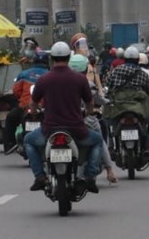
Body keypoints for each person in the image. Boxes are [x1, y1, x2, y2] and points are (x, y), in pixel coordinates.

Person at [24, 42, 103, 194]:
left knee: (28, 140)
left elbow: (33, 103)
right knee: (98, 140)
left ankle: (40, 176)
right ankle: (90, 176)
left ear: (52, 58)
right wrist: (87, 113)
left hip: (49, 130)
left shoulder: (44, 79)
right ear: (68, 57)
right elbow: (89, 103)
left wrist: (34, 113)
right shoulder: (80, 79)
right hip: (77, 130)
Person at [103, 47, 149, 159]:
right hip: (139, 110)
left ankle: (110, 147)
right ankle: (148, 147)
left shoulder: (115, 71)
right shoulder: (142, 74)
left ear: (124, 59)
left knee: (105, 121)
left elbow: (107, 85)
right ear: (137, 59)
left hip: (118, 109)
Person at [69, 53, 117, 184]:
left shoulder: (59, 83)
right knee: (99, 140)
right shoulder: (87, 84)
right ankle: (109, 170)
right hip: (85, 120)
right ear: (85, 69)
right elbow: (97, 100)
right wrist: (106, 102)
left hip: (62, 122)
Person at [4, 51, 50, 152]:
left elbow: (16, 91)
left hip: (24, 107)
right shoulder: (51, 75)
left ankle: (10, 144)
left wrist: (22, 99)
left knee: (10, 118)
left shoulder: (24, 74)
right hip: (45, 109)